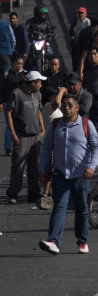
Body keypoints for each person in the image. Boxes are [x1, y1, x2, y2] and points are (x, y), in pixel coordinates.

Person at [37, 95, 98, 256]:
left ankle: (83, 241)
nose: (66, 107)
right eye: (64, 105)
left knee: (81, 209)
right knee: (59, 207)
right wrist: (42, 168)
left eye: (70, 105)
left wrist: (92, 167)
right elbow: (47, 148)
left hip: (81, 175)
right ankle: (53, 242)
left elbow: (97, 147)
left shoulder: (86, 124)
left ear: (77, 108)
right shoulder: (56, 124)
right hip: (61, 175)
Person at [6, 70, 46, 204]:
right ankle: (13, 193)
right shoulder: (17, 94)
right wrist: (12, 133)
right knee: (18, 166)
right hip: (22, 136)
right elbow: (8, 113)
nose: (41, 84)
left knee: (34, 166)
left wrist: (42, 128)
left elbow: (39, 111)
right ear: (32, 83)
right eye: (39, 82)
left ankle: (33, 193)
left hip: (36, 136)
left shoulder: (38, 94)